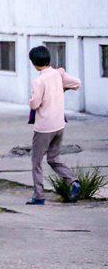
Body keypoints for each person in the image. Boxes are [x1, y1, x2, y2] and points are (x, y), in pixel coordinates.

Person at [27, 46, 82, 205]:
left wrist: (31, 101)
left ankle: (38, 196)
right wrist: (62, 89)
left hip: (44, 127)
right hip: (59, 124)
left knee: (36, 161)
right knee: (53, 158)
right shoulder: (58, 74)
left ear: (34, 63)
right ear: (48, 59)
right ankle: (73, 181)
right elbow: (77, 83)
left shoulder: (39, 81)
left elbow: (35, 104)